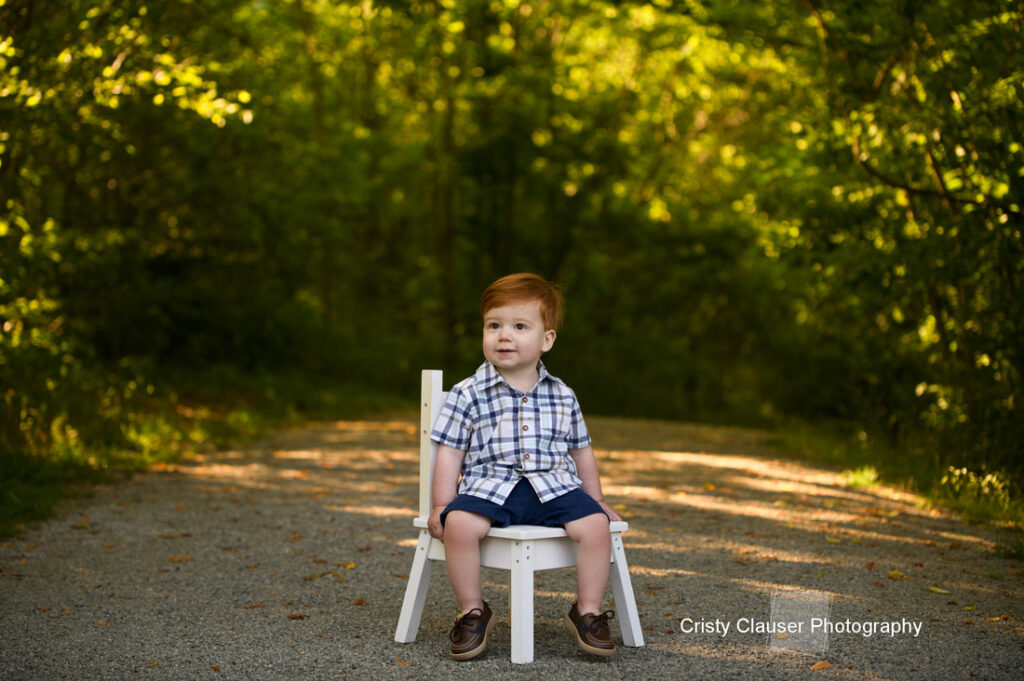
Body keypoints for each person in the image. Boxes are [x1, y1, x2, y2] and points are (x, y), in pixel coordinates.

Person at [427, 273, 622, 660]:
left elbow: (582, 451)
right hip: (488, 487)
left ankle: (586, 611)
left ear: (546, 340)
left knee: (597, 527)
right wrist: (441, 505)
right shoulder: (468, 393)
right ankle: (472, 611)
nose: (504, 336)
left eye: (519, 327)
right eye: (494, 325)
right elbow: (449, 453)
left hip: (555, 489)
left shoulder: (563, 395)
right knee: (460, 525)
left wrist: (595, 499)